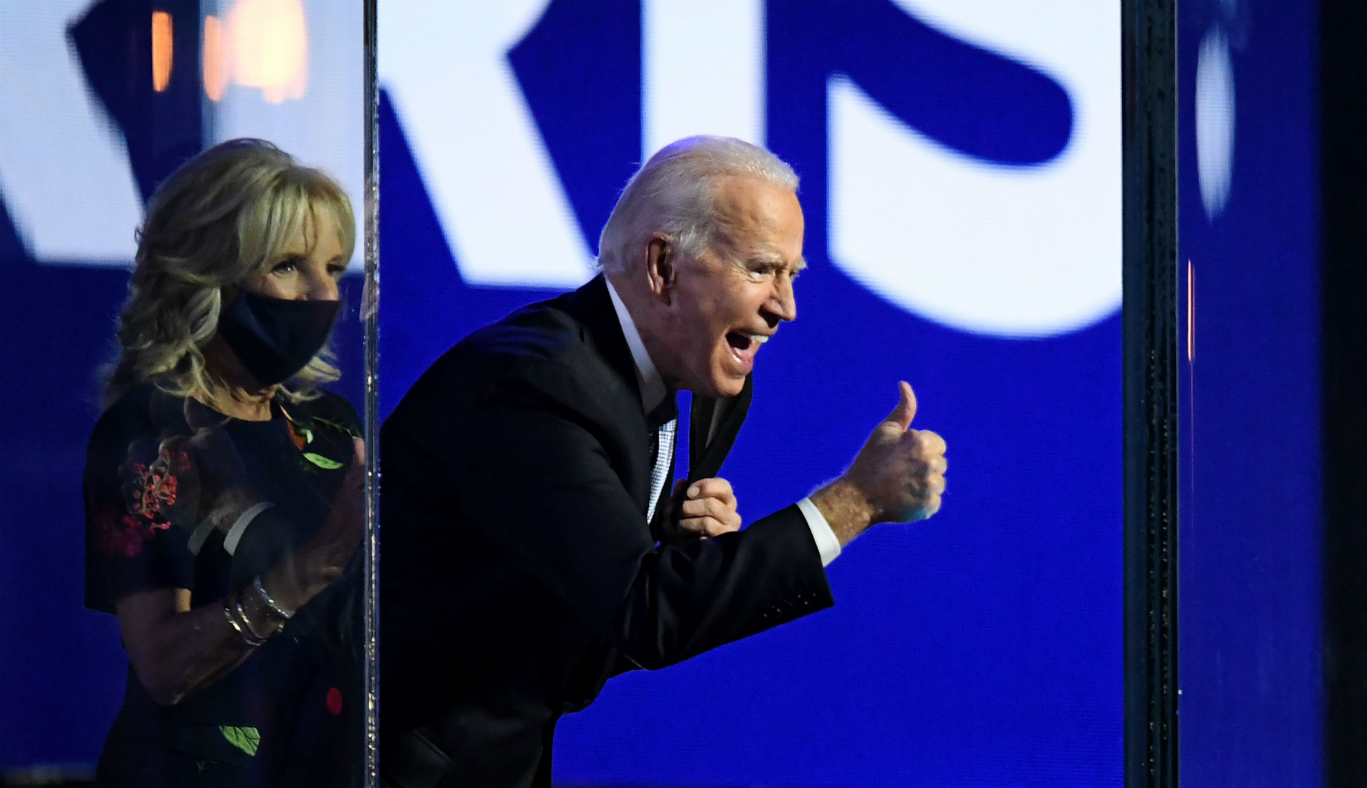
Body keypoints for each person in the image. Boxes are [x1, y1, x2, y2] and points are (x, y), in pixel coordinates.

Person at [378, 136, 948, 788]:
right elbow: (646, 616)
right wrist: (856, 502)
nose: (785, 307)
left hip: (502, 755)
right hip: (394, 762)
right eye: (762, 269)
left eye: (793, 274)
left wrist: (668, 555)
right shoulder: (534, 384)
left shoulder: (708, 388)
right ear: (663, 267)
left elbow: (600, 623)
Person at [83, 138, 367, 786]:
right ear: (212, 273)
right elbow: (163, 666)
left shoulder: (330, 429)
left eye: (334, 267)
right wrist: (317, 562)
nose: (324, 295)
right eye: (290, 266)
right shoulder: (150, 437)